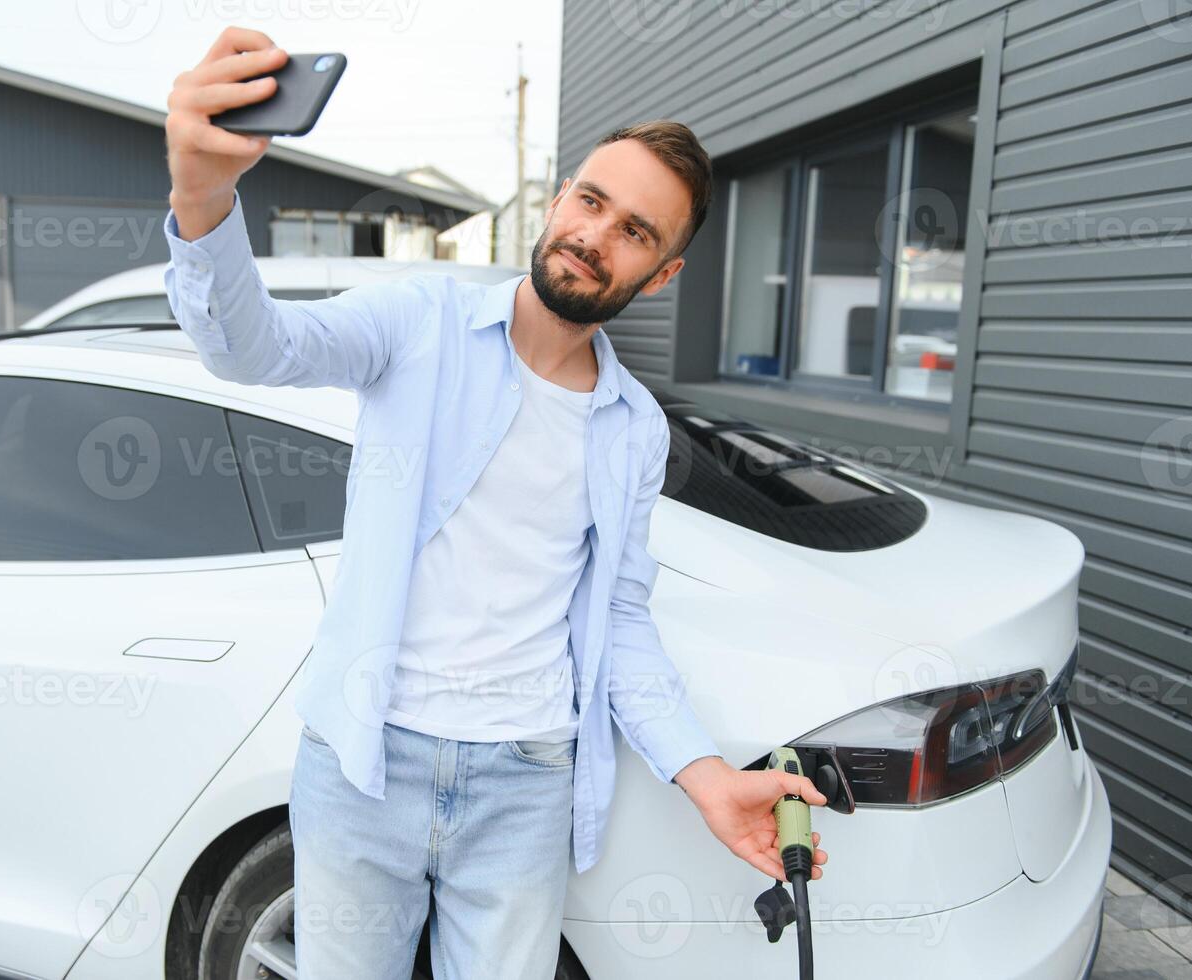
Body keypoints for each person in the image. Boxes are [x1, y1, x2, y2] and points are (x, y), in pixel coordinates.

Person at [163, 26, 829, 979]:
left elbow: (623, 621)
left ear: (663, 272)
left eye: (635, 231)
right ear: (560, 196)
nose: (597, 235)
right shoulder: (414, 321)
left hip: (525, 781)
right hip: (362, 762)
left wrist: (705, 774)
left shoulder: (632, 429)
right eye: (591, 201)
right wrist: (203, 194)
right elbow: (253, 349)